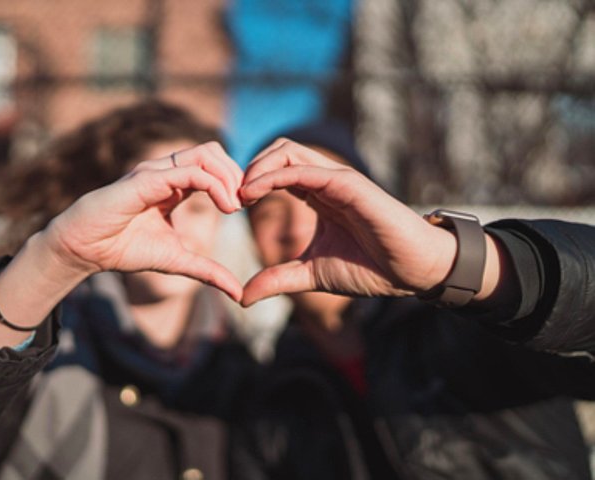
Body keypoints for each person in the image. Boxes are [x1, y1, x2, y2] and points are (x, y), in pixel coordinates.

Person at [0, 101, 260, 480]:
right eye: (160, 203)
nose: (178, 225)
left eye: (199, 208)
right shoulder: (34, 347)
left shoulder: (245, 374)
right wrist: (56, 259)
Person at [235, 120, 595, 479]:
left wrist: (451, 263)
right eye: (269, 211)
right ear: (253, 239)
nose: (296, 229)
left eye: (319, 201)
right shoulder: (268, 400)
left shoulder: (474, 323)